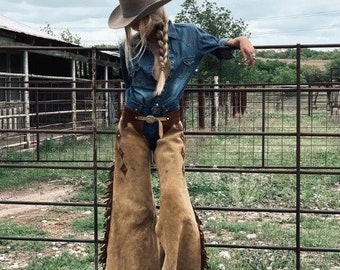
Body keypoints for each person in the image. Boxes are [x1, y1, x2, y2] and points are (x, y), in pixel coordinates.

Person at [100, 0, 256, 269]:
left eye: (137, 19)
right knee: (131, 207)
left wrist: (239, 39)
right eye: (131, 21)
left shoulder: (190, 36)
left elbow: (220, 45)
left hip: (169, 128)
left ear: (151, 16)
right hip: (131, 128)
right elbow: (130, 85)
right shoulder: (128, 46)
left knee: (176, 201)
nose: (134, 26)